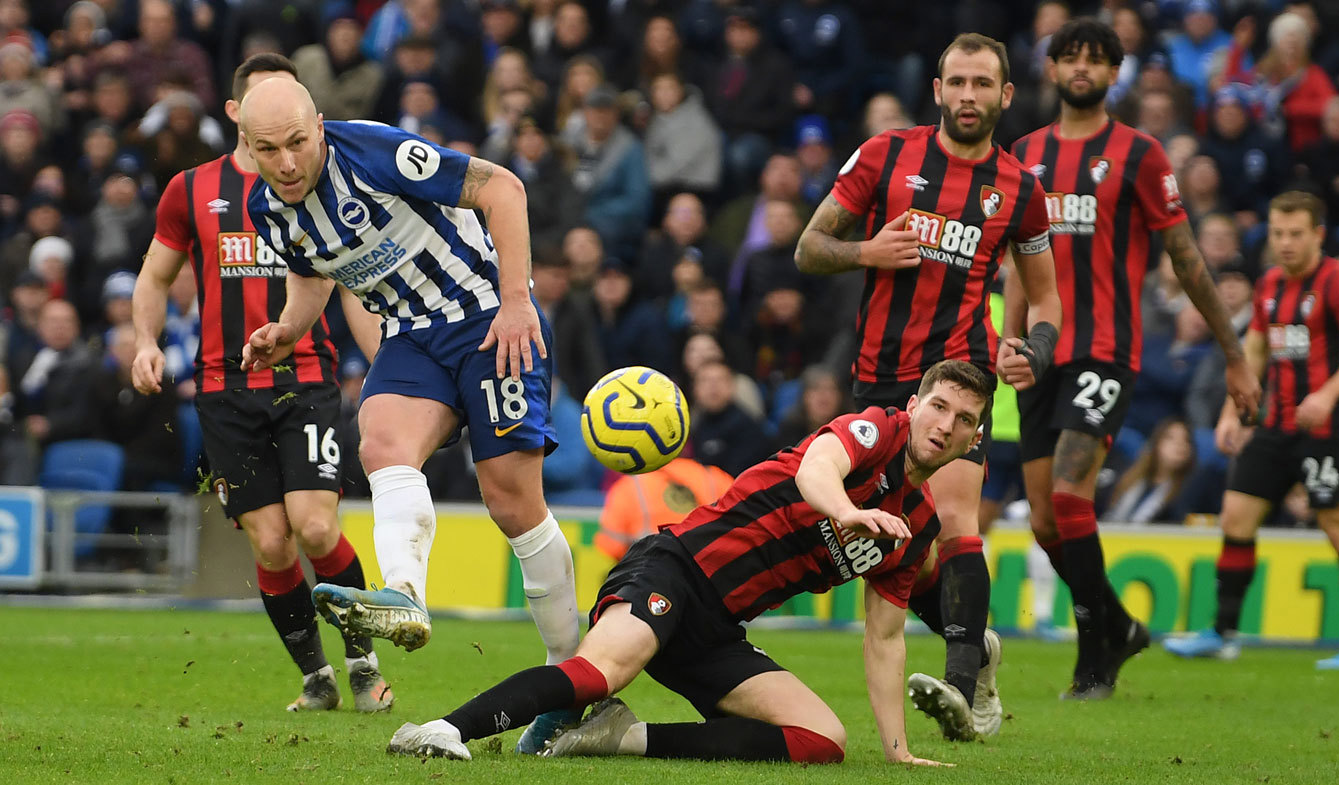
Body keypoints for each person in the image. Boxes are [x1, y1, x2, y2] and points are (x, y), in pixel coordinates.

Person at [386, 360, 991, 766]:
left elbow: (884, 640)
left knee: (822, 739)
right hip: (673, 569)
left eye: (963, 420)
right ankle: (442, 730)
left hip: (718, 629)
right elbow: (817, 468)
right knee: (600, 674)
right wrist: (847, 511)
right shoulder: (876, 429)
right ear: (913, 404)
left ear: (975, 439)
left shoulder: (918, 525)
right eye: (938, 407)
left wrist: (898, 752)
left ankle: (619, 738)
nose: (945, 426)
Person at [235, 75, 582, 752]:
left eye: (298, 142)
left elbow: (504, 189)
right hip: (410, 335)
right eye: (269, 150)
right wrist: (288, 327)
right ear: (247, 147)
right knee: (380, 441)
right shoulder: (267, 208)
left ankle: (571, 682)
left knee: (512, 502)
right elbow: (312, 270)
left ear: (320, 126)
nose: (287, 162)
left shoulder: (377, 153)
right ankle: (403, 595)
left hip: (487, 317)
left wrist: (517, 301)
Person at [794, 33, 1062, 740]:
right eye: (958, 82)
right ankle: (977, 646)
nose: (969, 96)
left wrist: (1034, 350)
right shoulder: (885, 156)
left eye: (983, 84)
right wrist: (867, 250)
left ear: (1006, 95)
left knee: (954, 516)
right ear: (938, 89)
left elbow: (1047, 299)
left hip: (962, 366)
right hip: (879, 375)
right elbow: (808, 247)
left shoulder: (1022, 190)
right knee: (897, 544)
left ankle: (963, 689)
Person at [1007, 19, 1262, 699]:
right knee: (1042, 520)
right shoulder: (1026, 153)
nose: (1082, 68)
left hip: (1105, 350)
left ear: (1115, 73)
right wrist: (1009, 337)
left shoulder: (1140, 154)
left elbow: (1186, 257)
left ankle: (1094, 659)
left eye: (1096, 59)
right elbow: (1017, 259)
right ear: (1051, 68)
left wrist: (1234, 355)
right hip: (1040, 355)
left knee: (1070, 497)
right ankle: (1119, 623)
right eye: (1070, 56)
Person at [131, 54, 392, 714]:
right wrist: (145, 342)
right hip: (224, 388)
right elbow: (154, 276)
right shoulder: (191, 189)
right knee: (272, 542)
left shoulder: (323, 188)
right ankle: (317, 676)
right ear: (236, 114)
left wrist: (385, 369)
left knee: (316, 528)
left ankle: (364, 664)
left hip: (305, 377)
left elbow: (354, 287)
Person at [1165, 191, 1339, 670]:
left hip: (1326, 429)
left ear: (1318, 235)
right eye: (1278, 233)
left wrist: (1327, 394)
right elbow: (1255, 354)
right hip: (1274, 425)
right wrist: (1233, 412)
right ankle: (1222, 634)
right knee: (1235, 518)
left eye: (1295, 234)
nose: (1285, 243)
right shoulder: (1268, 284)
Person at [594, 457, 733, 562]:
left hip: (650, 580)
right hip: (711, 582)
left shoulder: (630, 486)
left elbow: (612, 546)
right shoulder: (716, 478)